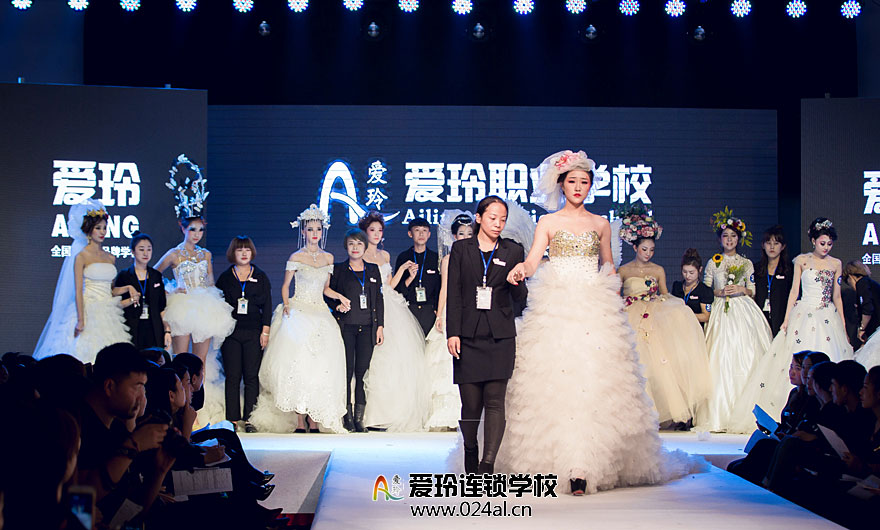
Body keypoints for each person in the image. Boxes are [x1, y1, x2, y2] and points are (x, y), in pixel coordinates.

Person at [501, 151, 705, 495]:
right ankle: (556, 460)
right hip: (556, 304)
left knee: (595, 379)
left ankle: (584, 465)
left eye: (584, 182)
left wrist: (613, 293)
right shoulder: (548, 222)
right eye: (572, 181)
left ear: (590, 186)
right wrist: (522, 269)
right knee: (553, 379)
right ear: (561, 184)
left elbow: (608, 266)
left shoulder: (600, 224)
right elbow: (534, 260)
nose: (578, 187)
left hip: (593, 306)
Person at [729, 219, 854, 432]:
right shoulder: (801, 261)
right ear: (813, 241)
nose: (826, 247)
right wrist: (787, 319)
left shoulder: (836, 264)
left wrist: (842, 323)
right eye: (822, 243)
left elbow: (837, 296)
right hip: (803, 314)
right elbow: (794, 291)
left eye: (829, 244)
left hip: (827, 315)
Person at [446, 195, 526, 476]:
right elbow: (454, 293)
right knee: (470, 404)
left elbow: (521, 298)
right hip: (468, 335)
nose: (498, 224)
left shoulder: (513, 250)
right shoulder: (461, 249)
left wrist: (516, 281)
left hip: (500, 336)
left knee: (495, 401)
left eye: (503, 219)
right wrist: (453, 332)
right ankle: (471, 449)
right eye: (492, 218)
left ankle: (487, 464)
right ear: (479, 218)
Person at [251, 205, 347, 434]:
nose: (315, 233)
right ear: (303, 231)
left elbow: (326, 289)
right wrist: (287, 304)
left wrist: (340, 296)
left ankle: (314, 419)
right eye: (310, 229)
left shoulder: (328, 257)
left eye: (318, 229)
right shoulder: (296, 257)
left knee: (320, 366)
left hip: (321, 313)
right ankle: (300, 420)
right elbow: (285, 286)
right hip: (299, 311)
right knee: (299, 364)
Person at [617, 208, 711, 428]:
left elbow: (665, 294)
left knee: (658, 366)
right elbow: (616, 296)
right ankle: (631, 415)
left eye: (651, 250)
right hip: (630, 316)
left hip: (651, 316)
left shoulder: (658, 270)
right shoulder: (624, 270)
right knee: (632, 363)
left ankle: (656, 413)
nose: (648, 253)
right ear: (635, 247)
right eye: (644, 249)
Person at [156, 155, 235, 363]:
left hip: (204, 304)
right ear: (182, 228)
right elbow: (153, 274)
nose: (197, 234)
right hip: (182, 305)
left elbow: (210, 280)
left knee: (200, 360)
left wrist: (214, 298)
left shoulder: (205, 254)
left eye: (200, 230)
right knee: (181, 358)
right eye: (192, 229)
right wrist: (169, 292)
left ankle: (199, 386)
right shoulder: (174, 254)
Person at [699, 208, 772, 433]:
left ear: (739, 239)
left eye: (733, 236)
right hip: (721, 311)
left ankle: (744, 413)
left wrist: (741, 289)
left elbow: (753, 290)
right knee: (719, 356)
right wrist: (719, 293)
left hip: (742, 309)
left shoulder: (746, 263)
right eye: (725, 236)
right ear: (720, 239)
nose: (729, 240)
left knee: (746, 355)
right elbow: (706, 290)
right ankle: (719, 414)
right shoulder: (713, 262)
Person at [357, 212, 431, 432]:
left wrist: (405, 274)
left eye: (380, 230)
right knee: (377, 359)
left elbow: (389, 285)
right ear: (365, 232)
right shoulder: (361, 255)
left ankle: (394, 413)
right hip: (372, 305)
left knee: (398, 359)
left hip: (391, 305)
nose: (377, 234)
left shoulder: (385, 255)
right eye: (372, 230)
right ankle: (373, 414)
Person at [35, 199, 133, 363]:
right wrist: (81, 320)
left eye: (104, 228)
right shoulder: (81, 256)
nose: (102, 232)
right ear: (89, 230)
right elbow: (78, 291)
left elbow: (111, 290)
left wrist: (128, 288)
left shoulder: (110, 257)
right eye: (98, 228)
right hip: (87, 310)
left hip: (108, 312)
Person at [328, 229, 385, 432]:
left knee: (362, 373)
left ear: (365, 247)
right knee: (346, 372)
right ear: (346, 246)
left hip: (368, 327)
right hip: (346, 327)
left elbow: (378, 299)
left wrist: (380, 326)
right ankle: (347, 416)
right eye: (351, 243)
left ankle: (360, 418)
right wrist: (337, 306)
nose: (355, 247)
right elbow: (327, 295)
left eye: (359, 243)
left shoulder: (373, 269)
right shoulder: (339, 269)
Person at [216, 236, 273, 432]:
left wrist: (265, 331)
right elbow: (218, 304)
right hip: (231, 332)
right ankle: (232, 419)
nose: (243, 253)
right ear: (233, 253)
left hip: (254, 331)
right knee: (232, 376)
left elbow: (267, 306)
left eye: (247, 250)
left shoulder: (260, 276)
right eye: (239, 250)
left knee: (251, 376)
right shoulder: (225, 277)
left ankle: (250, 419)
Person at [423, 211, 473, 430]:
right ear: (454, 236)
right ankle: (446, 415)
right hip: (451, 311)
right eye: (461, 233)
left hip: (470, 311)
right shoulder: (448, 259)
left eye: (469, 234)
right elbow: (444, 288)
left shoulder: (479, 256)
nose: (465, 237)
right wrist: (440, 314)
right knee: (444, 364)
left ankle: (466, 414)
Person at [115, 232, 171, 351]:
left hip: (154, 329)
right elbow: (116, 304)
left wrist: (167, 331)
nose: (146, 253)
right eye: (141, 249)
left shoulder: (156, 276)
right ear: (133, 251)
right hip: (131, 328)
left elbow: (161, 308)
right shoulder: (124, 275)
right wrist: (131, 300)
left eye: (149, 249)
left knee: (154, 360)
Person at [395, 217, 441, 336]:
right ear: (410, 234)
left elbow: (439, 286)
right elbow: (397, 289)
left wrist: (437, 309)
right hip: (409, 309)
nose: (421, 234)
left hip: (430, 310)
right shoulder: (403, 257)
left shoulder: (435, 258)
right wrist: (410, 278)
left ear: (429, 234)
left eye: (424, 230)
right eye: (417, 230)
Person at [753, 225, 794, 337]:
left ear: (783, 246)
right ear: (763, 245)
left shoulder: (789, 270)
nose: (772, 247)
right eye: (768, 243)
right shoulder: (756, 269)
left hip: (781, 318)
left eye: (776, 243)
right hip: (760, 318)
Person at [671, 248, 713, 327]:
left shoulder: (705, 291)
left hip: (695, 327)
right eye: (684, 272)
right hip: (677, 326)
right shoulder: (677, 286)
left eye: (691, 272)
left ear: (700, 270)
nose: (687, 276)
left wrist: (686, 315)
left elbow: (706, 316)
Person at [844, 261, 880, 344]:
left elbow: (867, 309)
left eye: (848, 282)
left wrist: (862, 329)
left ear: (850, 276)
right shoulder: (870, 284)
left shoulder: (861, 283)